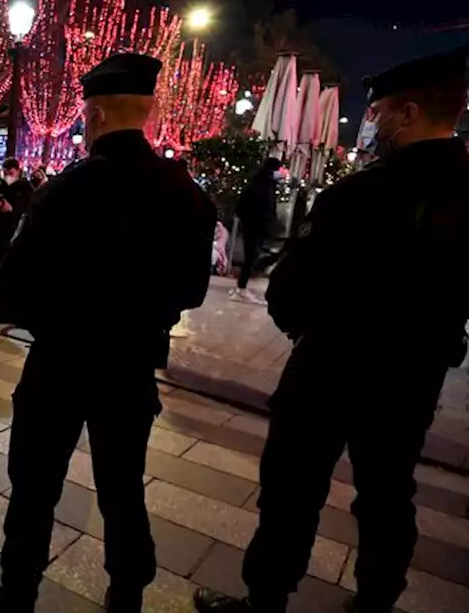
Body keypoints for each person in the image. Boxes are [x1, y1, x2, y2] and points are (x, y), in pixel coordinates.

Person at [194, 48, 469, 613]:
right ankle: (375, 602)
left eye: (378, 113)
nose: (372, 125)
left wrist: (303, 321)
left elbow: (291, 290)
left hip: (332, 367)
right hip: (414, 377)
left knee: (293, 487)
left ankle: (266, 597)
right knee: (388, 493)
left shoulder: (363, 194)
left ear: (409, 113)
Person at [0, 53, 216, 613]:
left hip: (61, 362)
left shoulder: (68, 190)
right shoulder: (183, 194)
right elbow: (191, 290)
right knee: (123, 488)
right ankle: (127, 595)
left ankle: (17, 595)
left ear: (98, 115)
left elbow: (12, 285)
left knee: (35, 487)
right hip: (130, 365)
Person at [231, 157, 284, 305]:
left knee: (253, 257)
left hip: (255, 226)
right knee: (252, 257)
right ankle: (241, 288)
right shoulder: (262, 185)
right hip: (255, 226)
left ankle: (241, 287)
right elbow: (254, 206)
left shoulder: (265, 183)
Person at [0, 158, 32, 284]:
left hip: (14, 236)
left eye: (11, 173)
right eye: (5, 173)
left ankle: (2, 297)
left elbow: (28, 211)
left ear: (18, 172)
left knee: (9, 272)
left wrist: (12, 210)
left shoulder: (25, 188)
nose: (8, 176)